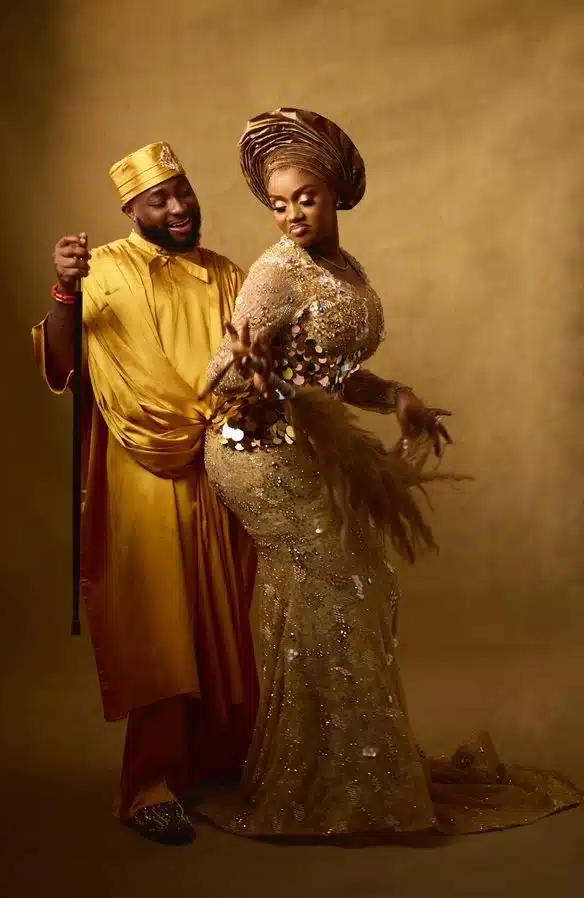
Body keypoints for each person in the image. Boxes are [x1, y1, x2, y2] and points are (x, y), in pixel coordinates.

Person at [195, 107, 582, 837]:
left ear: (335, 193)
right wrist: (247, 368)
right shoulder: (275, 273)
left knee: (360, 585)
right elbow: (218, 377)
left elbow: (330, 374)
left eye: (305, 198)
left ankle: (350, 771)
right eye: (278, 204)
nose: (291, 215)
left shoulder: (342, 268)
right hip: (255, 453)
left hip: (303, 444)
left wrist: (398, 397)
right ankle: (317, 784)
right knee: (334, 586)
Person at [31, 141, 259, 845]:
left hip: (221, 468)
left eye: (183, 191)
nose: (179, 207)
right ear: (131, 210)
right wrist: (64, 293)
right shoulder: (101, 271)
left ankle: (220, 764)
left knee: (224, 620)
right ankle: (149, 789)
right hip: (141, 475)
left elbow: (256, 367)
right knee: (160, 626)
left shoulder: (228, 274)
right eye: (159, 200)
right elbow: (63, 362)